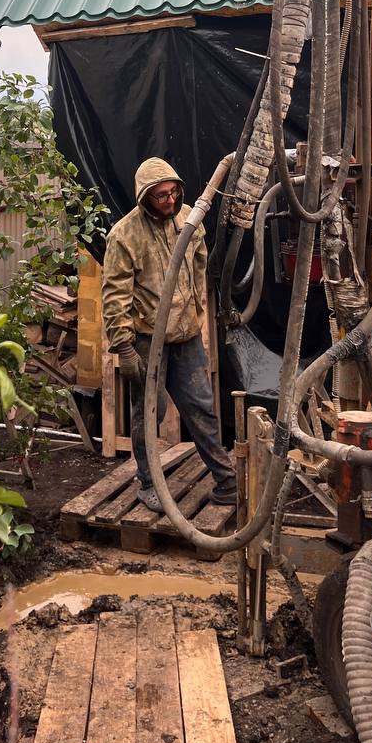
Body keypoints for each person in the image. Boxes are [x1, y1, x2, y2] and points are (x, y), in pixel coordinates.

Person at [102, 157, 237, 513]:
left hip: (186, 336)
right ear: (145, 197)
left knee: (202, 407)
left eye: (173, 193)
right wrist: (125, 348)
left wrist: (194, 310)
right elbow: (115, 294)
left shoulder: (188, 219)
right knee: (149, 412)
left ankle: (226, 479)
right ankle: (148, 482)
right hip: (149, 341)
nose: (169, 201)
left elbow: (199, 262)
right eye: (160, 196)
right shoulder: (125, 235)